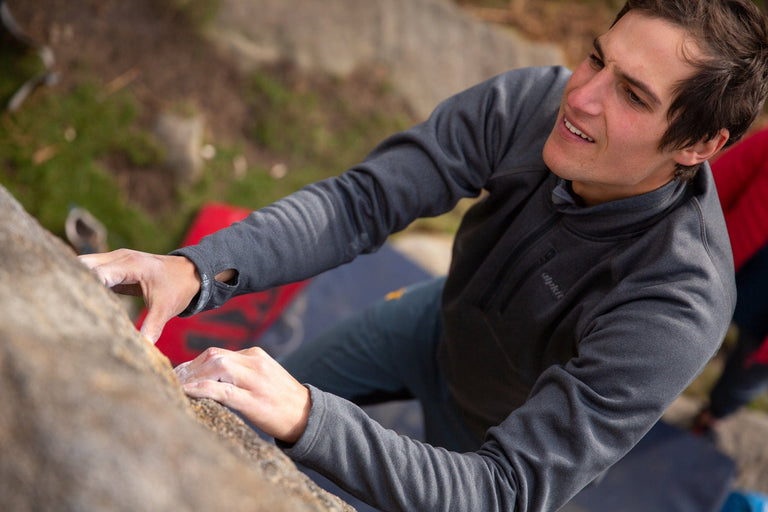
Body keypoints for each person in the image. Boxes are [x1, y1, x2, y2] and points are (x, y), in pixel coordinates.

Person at [80, 1, 768, 510]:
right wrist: (196, 269)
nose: (581, 98)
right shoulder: (533, 102)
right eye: (597, 58)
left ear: (700, 144)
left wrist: (310, 421)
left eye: (632, 94)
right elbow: (360, 204)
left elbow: (504, 486)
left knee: (303, 419)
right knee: (240, 413)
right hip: (433, 325)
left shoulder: (677, 305)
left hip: (496, 437)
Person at [693, 126, 768, 436]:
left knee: (745, 379)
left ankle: (712, 416)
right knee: (677, 343)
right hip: (719, 271)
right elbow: (713, 188)